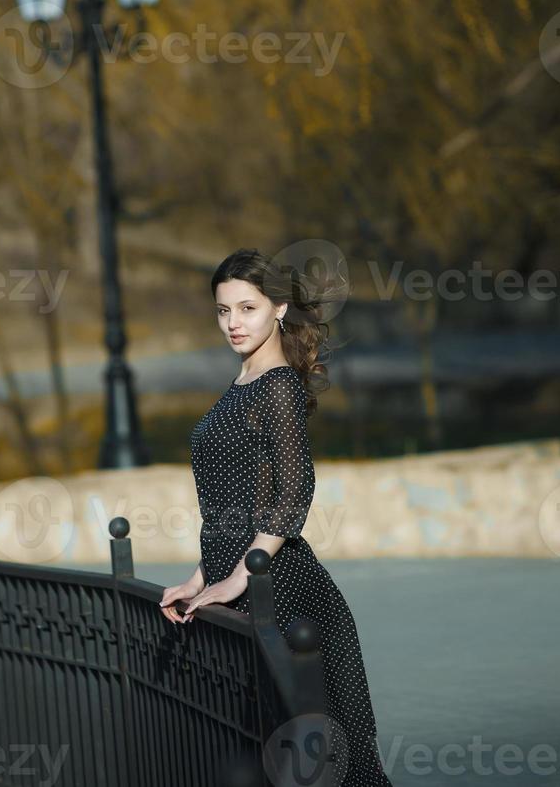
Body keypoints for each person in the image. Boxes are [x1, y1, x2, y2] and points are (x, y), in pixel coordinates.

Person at [159, 247, 393, 787]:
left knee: (320, 765)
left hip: (285, 593)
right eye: (223, 311)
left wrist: (240, 575)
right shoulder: (241, 384)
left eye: (247, 308)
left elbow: (294, 493)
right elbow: (230, 503)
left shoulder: (279, 385)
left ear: (279, 309)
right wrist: (200, 579)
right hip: (248, 588)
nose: (233, 323)